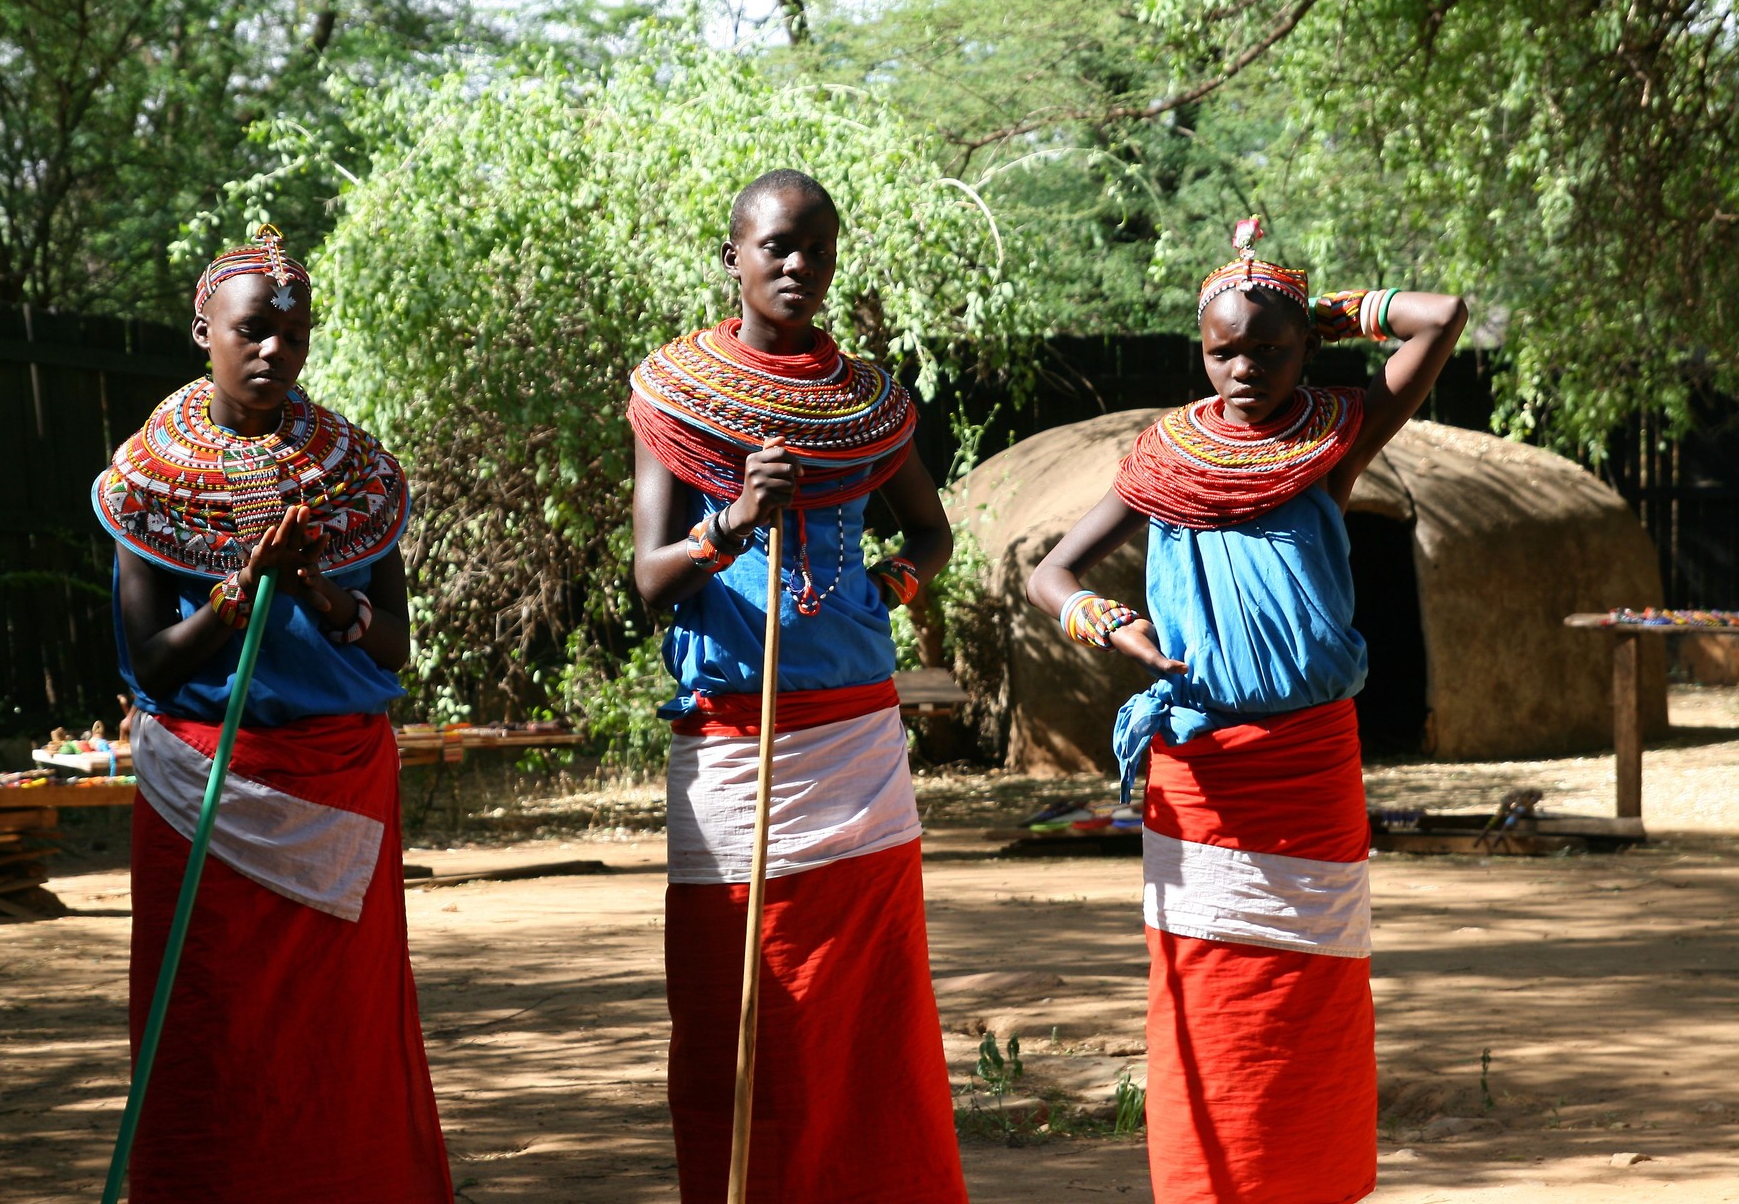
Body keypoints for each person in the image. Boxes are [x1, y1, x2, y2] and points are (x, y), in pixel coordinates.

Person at [1026, 219, 1467, 1204]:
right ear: (1201, 349)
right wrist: (1109, 623)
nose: (1245, 367)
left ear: (1306, 345)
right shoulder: (1163, 458)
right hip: (1202, 771)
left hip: (1310, 766)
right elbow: (1050, 574)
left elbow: (1440, 319)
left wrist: (1315, 305)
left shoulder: (1331, 439)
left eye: (1270, 348)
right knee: (1212, 1003)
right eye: (1226, 348)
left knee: (1311, 1002)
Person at [628, 169, 968, 1203]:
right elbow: (648, 579)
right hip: (734, 741)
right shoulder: (673, 395)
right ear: (730, 255)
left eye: (816, 249)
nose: (796, 265)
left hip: (857, 742)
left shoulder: (864, 401)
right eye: (775, 245)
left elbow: (931, 528)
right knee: (746, 1006)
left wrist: (886, 585)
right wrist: (729, 522)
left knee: (863, 1015)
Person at [92, 226, 451, 1202]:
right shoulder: (146, 478)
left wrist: (323, 594)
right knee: (210, 1020)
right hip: (202, 788)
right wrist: (235, 592)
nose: (273, 353)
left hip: (337, 775)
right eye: (252, 330)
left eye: (293, 336)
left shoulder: (358, 475)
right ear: (202, 326)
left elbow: (392, 650)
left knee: (339, 1034)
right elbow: (152, 669)